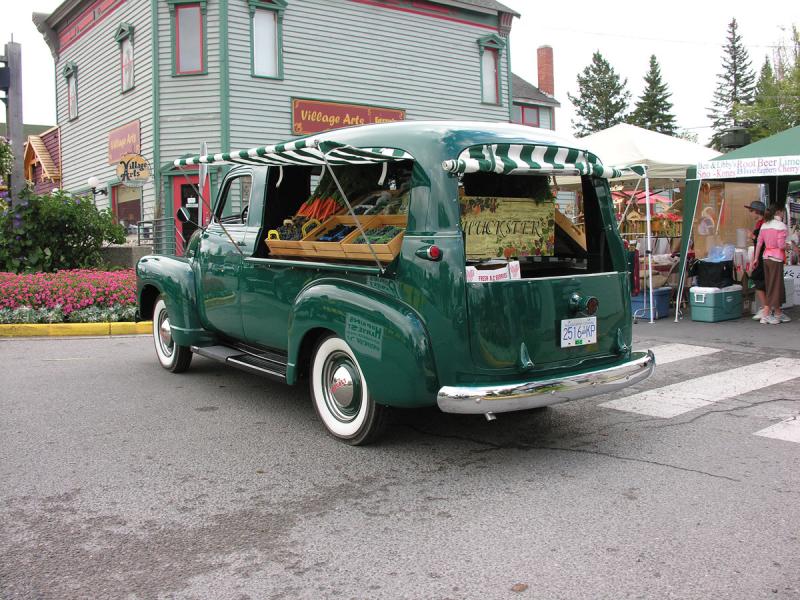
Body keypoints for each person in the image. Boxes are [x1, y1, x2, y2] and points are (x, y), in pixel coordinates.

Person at [753, 205, 789, 324]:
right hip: (776, 258)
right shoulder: (781, 226)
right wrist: (789, 246)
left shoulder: (764, 225)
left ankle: (776, 313)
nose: (784, 214)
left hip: (765, 257)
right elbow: (781, 245)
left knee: (770, 285)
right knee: (776, 285)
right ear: (778, 212)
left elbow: (759, 243)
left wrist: (755, 258)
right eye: (783, 212)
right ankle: (767, 314)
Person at [746, 200, 768, 320]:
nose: (750, 213)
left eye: (751, 211)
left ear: (757, 211)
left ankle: (766, 307)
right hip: (761, 256)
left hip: (762, 257)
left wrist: (752, 237)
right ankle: (768, 307)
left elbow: (763, 241)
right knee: (762, 281)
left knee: (757, 280)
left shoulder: (763, 224)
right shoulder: (761, 223)